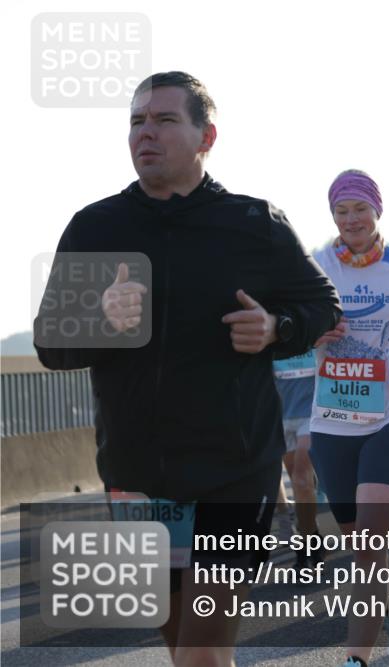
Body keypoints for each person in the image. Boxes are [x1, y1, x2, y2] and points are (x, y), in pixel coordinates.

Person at [33, 71, 341, 667]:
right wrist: (97, 317)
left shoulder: (255, 223)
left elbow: (321, 305)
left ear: (207, 136)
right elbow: (51, 345)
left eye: (165, 120)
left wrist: (278, 328)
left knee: (201, 651)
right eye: (136, 122)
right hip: (136, 472)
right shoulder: (95, 227)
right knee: (183, 648)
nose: (145, 133)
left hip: (235, 469)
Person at [309, 169, 389, 667]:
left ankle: (356, 659)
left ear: (377, 211)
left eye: (359, 209)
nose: (351, 220)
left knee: (367, 544)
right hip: (332, 423)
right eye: (341, 211)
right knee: (361, 544)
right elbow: (287, 326)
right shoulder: (315, 268)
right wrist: (307, 334)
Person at [273, 350, 326, 573]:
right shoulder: (269, 322)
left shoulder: (312, 321)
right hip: (280, 414)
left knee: (302, 480)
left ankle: (304, 547)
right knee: (297, 481)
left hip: (312, 412)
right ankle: (311, 534)